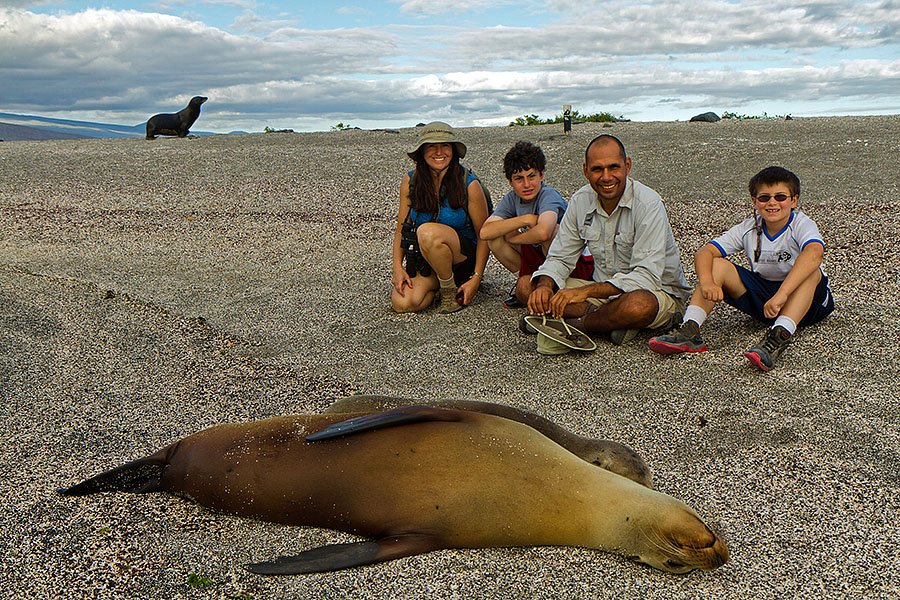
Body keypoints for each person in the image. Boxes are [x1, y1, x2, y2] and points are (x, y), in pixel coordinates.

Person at [648, 166, 834, 371]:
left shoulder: (801, 224)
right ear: (754, 202)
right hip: (767, 302)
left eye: (780, 196)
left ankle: (779, 336)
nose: (772, 202)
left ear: (794, 200)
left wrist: (782, 294)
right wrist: (708, 281)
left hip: (807, 304)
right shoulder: (748, 228)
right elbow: (704, 253)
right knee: (716, 265)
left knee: (812, 272)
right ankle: (690, 330)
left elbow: (814, 253)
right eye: (764, 198)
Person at [527, 134, 690, 352]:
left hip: (657, 293)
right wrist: (545, 286)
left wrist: (584, 293)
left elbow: (646, 277)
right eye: (597, 169)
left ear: (627, 165)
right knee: (527, 287)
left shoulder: (649, 204)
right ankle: (611, 322)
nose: (606, 177)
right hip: (602, 293)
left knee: (637, 306)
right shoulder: (580, 200)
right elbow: (559, 256)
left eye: (613, 167)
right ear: (586, 170)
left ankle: (577, 326)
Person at [391, 122, 490, 314]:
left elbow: (484, 235)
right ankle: (440, 285)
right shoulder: (410, 181)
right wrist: (397, 268)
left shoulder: (469, 184)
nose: (439, 152)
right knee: (404, 303)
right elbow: (401, 229)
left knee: (427, 232)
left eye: (445, 146)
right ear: (422, 151)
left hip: (461, 259)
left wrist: (476, 278)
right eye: (432, 146)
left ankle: (449, 291)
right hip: (427, 259)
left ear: (453, 150)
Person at [479, 141, 592, 309]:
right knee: (495, 238)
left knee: (554, 231)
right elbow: (485, 232)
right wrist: (525, 220)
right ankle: (527, 284)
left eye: (531, 176)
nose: (526, 184)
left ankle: (555, 286)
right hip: (540, 256)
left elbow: (544, 232)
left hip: (572, 262)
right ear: (510, 181)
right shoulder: (512, 199)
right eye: (519, 178)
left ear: (542, 175)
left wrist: (514, 238)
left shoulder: (549, 195)